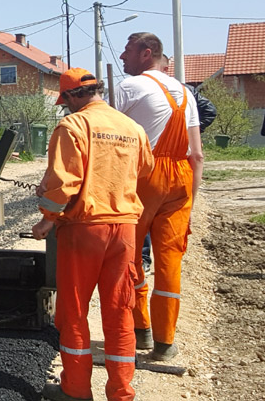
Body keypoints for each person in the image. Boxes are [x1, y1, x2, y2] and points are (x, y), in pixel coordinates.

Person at [33, 68, 153, 401]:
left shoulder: (73, 126)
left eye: (65, 101)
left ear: (71, 96)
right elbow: (145, 169)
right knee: (119, 311)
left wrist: (47, 219)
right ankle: (121, 392)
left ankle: (75, 390)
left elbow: (64, 182)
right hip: (125, 230)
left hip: (84, 229)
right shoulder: (131, 127)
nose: (65, 107)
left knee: (74, 312)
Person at [113, 32, 205, 362]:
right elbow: (197, 154)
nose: (122, 56)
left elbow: (106, 134)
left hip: (144, 176)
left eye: (127, 50)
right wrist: (189, 202)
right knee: (170, 260)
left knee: (131, 253)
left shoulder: (128, 88)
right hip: (181, 178)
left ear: (146, 53)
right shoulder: (186, 93)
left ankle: (140, 330)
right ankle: (165, 343)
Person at [140, 56, 217, 274]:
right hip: (177, 166)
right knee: (167, 225)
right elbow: (198, 156)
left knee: (142, 215)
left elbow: (209, 111)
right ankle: (162, 266)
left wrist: (191, 131)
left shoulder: (181, 91)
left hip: (153, 162)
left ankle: (144, 260)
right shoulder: (183, 92)